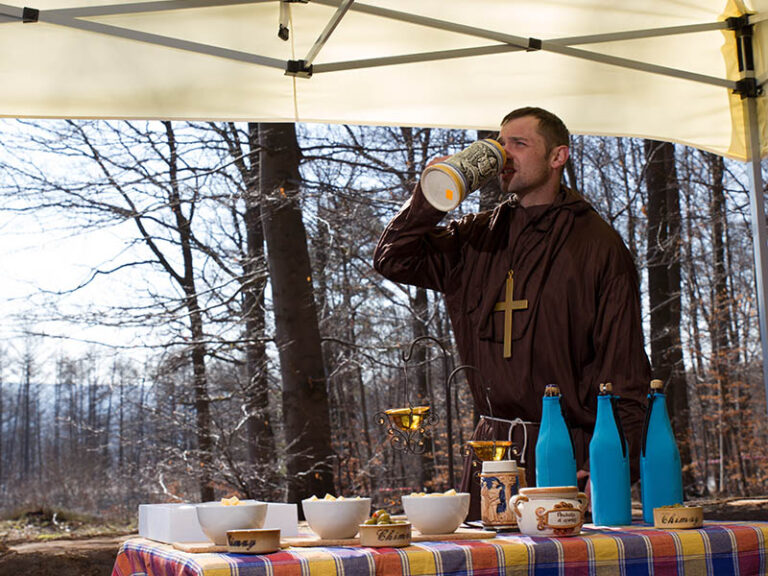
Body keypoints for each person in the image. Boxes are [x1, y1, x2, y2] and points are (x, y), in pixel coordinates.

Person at [373, 107, 650, 520]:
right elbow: (393, 259)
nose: (505, 155)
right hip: (490, 454)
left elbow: (625, 370)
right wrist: (429, 200)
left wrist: (608, 469)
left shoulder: (598, 246)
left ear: (558, 157)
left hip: (569, 460)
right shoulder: (476, 237)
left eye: (519, 144)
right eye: (501, 144)